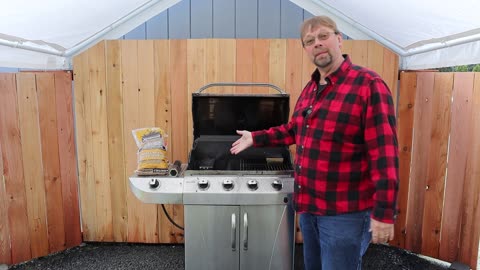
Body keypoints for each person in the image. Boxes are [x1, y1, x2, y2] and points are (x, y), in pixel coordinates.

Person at [230, 15, 399, 270]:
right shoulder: (311, 89)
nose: (317, 43)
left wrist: (385, 212)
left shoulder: (368, 85)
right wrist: (255, 137)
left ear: (339, 39)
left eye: (323, 36)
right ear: (306, 49)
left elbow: (384, 154)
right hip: (309, 207)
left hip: (345, 213)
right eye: (310, 41)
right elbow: (293, 130)